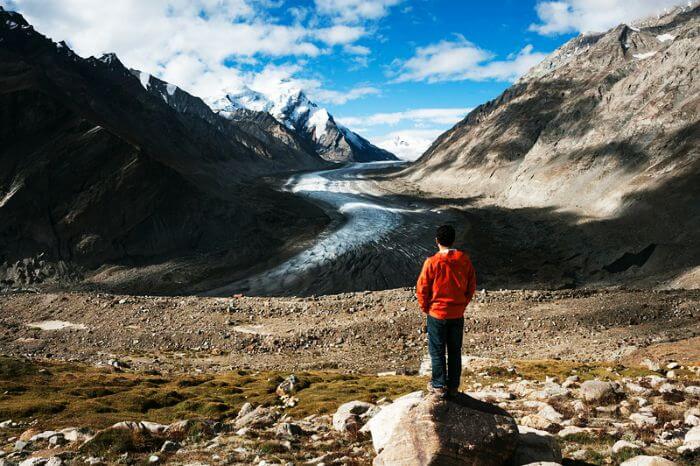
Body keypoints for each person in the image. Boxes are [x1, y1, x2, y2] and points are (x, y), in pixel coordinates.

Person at [416, 224, 477, 397]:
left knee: (437, 351)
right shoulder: (464, 260)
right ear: (453, 240)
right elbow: (471, 284)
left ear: (437, 241)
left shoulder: (432, 262)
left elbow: (422, 289)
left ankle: (439, 385)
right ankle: (453, 386)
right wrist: (462, 303)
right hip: (457, 313)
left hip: (437, 313)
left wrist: (426, 308)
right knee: (454, 351)